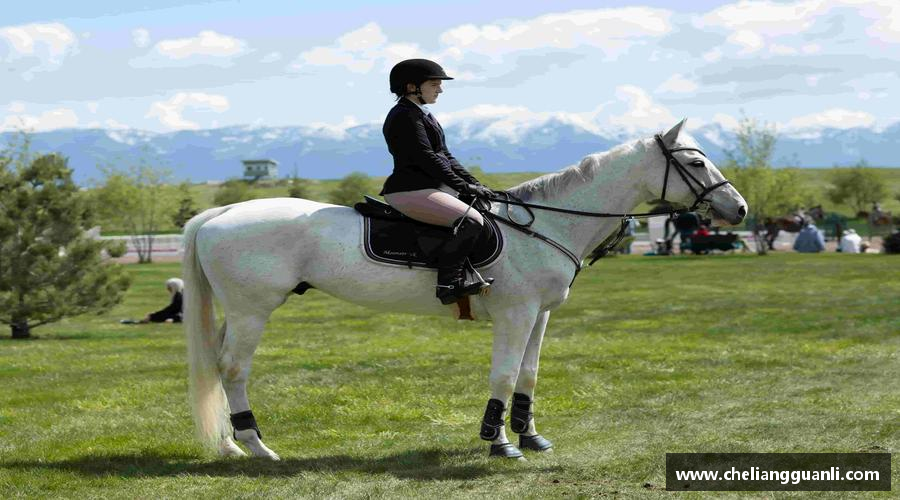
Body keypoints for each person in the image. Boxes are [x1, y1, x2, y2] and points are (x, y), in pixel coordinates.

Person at [381, 59, 495, 305]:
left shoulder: (421, 114)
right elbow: (427, 158)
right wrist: (463, 187)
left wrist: (475, 184)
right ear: (412, 87)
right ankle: (448, 283)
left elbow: (445, 156)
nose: (440, 90)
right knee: (471, 221)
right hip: (410, 190)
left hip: (428, 188)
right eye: (434, 84)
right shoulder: (404, 116)